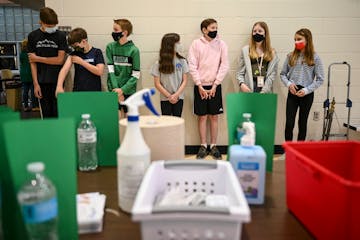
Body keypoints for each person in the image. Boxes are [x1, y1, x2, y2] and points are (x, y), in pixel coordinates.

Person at [188, 18, 229, 159]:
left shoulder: (221, 44)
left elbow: (224, 65)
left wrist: (215, 85)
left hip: (215, 86)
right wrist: (199, 85)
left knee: (214, 117)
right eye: (212, 28)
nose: (215, 30)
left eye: (216, 27)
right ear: (204, 30)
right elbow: (192, 65)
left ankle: (214, 145)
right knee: (202, 117)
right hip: (200, 86)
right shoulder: (196, 44)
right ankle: (203, 146)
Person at [280, 28, 324, 142]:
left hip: (306, 94)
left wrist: (307, 90)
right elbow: (283, 74)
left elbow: (320, 79)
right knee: (289, 123)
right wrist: (289, 84)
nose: (296, 42)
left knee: (302, 123)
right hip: (293, 92)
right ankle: (288, 151)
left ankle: (300, 152)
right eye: (295, 39)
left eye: (299, 39)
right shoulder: (291, 56)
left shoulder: (315, 58)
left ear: (307, 40)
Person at [27, 7, 67, 118]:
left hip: (57, 80)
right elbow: (32, 62)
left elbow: (60, 60)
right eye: (49, 26)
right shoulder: (33, 36)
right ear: (41, 22)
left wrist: (38, 58)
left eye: (54, 26)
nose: (52, 28)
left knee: (58, 112)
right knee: (46, 113)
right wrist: (35, 84)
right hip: (41, 81)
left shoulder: (61, 36)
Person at [106, 19, 140, 118]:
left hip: (128, 91)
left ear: (124, 32)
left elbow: (136, 74)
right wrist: (117, 90)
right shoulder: (110, 47)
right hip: (113, 89)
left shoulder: (134, 50)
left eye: (116, 30)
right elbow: (111, 70)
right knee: (115, 120)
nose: (113, 32)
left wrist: (122, 90)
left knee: (127, 122)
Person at [55, 27, 105, 96]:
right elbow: (64, 70)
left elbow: (99, 71)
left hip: (94, 92)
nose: (75, 49)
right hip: (78, 92)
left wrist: (82, 62)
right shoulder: (75, 54)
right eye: (73, 47)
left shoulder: (97, 52)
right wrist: (59, 86)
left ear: (84, 41)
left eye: (76, 46)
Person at [151, 33, 188, 117]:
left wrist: (176, 95)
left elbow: (185, 81)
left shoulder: (182, 61)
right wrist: (169, 96)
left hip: (179, 97)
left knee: (177, 120)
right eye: (177, 43)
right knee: (166, 121)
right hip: (165, 98)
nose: (180, 45)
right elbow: (157, 84)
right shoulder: (158, 63)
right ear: (170, 45)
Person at [236, 21, 279, 93]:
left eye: (260, 31)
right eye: (254, 31)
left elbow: (272, 74)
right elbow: (239, 73)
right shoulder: (245, 50)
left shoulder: (272, 52)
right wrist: (241, 84)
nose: (257, 33)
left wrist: (265, 90)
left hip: (265, 89)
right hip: (248, 89)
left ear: (265, 34)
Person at [19, 39, 35, 111]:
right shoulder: (31, 54)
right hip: (31, 73)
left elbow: (22, 63)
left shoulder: (21, 54)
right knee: (32, 91)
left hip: (23, 74)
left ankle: (25, 106)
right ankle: (34, 106)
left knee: (25, 91)